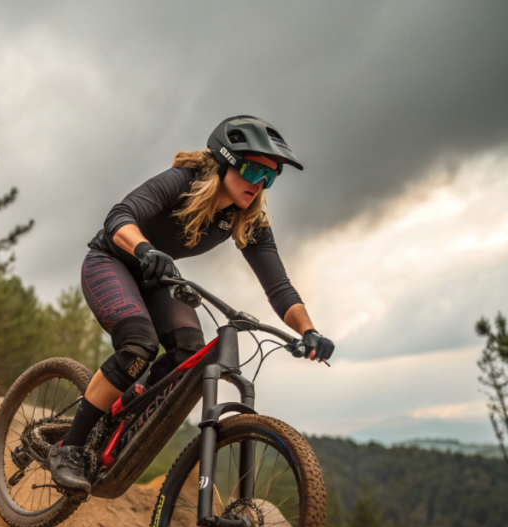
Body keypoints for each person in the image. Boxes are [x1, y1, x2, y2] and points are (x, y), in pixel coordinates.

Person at [48, 115, 335, 494]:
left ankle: (125, 409)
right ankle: (68, 449)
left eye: (271, 176)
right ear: (226, 161)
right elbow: (119, 217)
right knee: (139, 345)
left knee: (189, 354)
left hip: (156, 278)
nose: (260, 183)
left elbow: (279, 286)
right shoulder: (183, 182)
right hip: (113, 259)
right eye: (253, 170)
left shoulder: (247, 220)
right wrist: (144, 248)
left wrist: (308, 331)